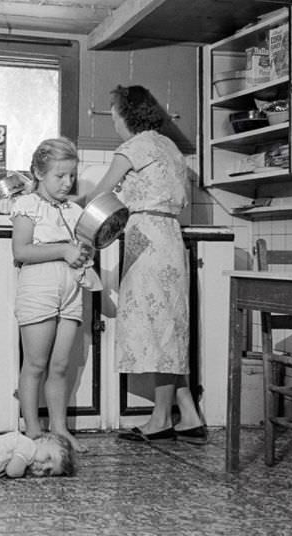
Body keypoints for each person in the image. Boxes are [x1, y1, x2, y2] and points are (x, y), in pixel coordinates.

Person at [84, 84, 206, 445]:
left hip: (146, 238)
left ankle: (160, 419)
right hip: (169, 235)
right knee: (168, 325)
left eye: (115, 113)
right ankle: (189, 415)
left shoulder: (134, 147)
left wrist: (59, 201)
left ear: (126, 114)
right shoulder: (168, 146)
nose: (114, 122)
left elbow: (100, 193)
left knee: (157, 330)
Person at [11, 137, 102, 454]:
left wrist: (83, 252)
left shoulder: (75, 211)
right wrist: (64, 249)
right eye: (59, 176)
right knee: (35, 364)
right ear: (38, 172)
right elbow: (21, 250)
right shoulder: (26, 206)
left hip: (71, 291)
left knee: (60, 366)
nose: (67, 183)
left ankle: (60, 429)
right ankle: (34, 431)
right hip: (38, 290)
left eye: (72, 176)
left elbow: (81, 246)